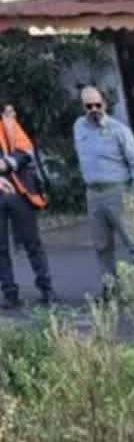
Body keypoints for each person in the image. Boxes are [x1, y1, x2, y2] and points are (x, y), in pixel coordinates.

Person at [72, 85, 134, 297]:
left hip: (118, 191)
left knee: (133, 240)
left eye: (97, 104)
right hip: (93, 193)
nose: (94, 109)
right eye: (88, 105)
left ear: (105, 104)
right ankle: (110, 286)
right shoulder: (79, 127)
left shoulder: (119, 130)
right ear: (83, 107)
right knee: (102, 244)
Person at [0, 104, 54, 309]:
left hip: (20, 191)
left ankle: (47, 289)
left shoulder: (8, 124)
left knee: (32, 242)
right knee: (0, 248)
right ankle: (10, 294)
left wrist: (6, 164)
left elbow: (26, 151)